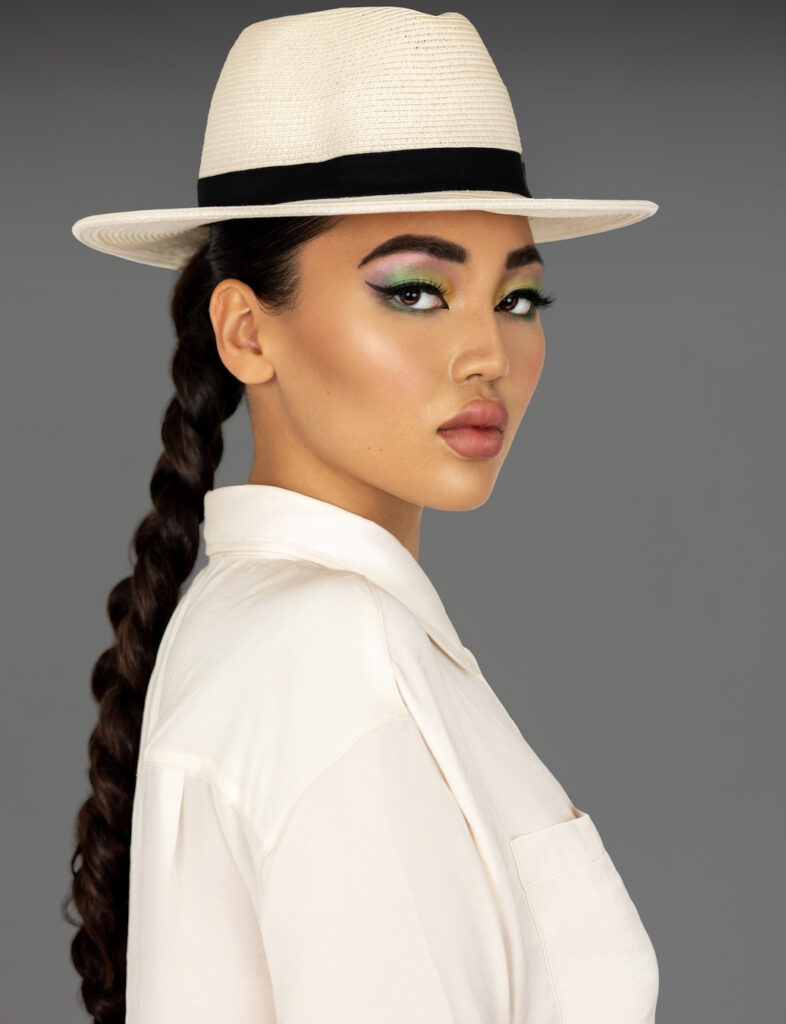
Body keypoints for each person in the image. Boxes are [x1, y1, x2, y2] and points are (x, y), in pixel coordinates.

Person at [63, 8, 661, 1023]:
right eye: (418, 292)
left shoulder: (248, 622)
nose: (488, 355)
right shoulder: (336, 653)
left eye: (518, 299)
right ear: (248, 331)